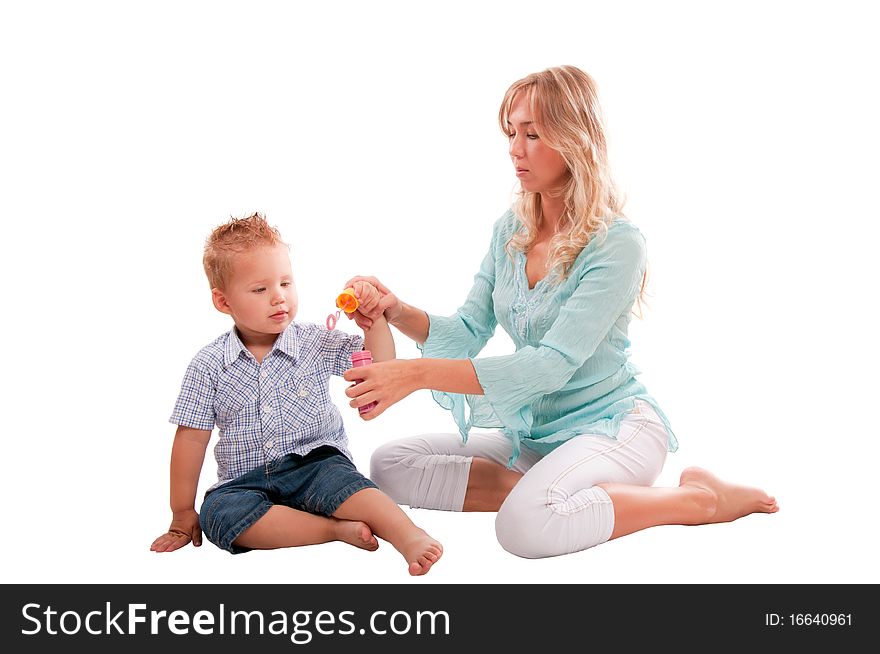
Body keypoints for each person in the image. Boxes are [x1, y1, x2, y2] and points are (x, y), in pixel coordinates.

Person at [341, 65, 778, 559]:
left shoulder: (617, 244)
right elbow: (467, 329)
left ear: (574, 139)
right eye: (511, 133)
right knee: (388, 467)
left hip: (612, 428)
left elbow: (549, 365)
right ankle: (552, 491)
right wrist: (395, 309)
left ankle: (697, 499)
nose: (514, 148)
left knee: (524, 531)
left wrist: (416, 374)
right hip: (535, 433)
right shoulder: (511, 229)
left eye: (533, 133)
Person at [150, 212, 442, 575]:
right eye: (260, 290)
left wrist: (375, 322)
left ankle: (407, 535)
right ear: (223, 302)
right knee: (219, 517)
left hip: (316, 464)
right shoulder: (209, 364)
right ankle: (333, 530)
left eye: (286, 283)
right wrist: (182, 513)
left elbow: (380, 365)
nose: (279, 298)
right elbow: (190, 441)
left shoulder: (315, 342)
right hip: (245, 481)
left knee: (353, 488)